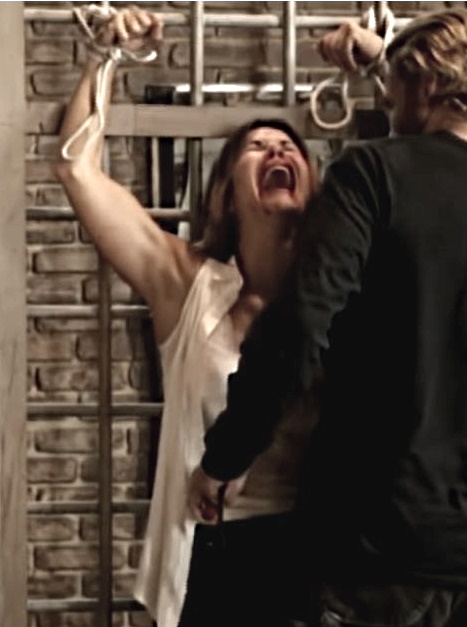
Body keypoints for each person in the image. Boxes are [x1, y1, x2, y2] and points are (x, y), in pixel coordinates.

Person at [191, 8, 467, 627]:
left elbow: (302, 323)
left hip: (372, 554)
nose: (387, 108)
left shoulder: (375, 174)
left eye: (391, 92)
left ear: (427, 82)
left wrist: (229, 454)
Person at [54, 7, 319, 627]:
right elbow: (77, 170)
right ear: (226, 194)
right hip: (210, 553)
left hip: (314, 556)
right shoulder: (189, 284)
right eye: (257, 147)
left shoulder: (339, 297)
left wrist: (378, 67)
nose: (278, 150)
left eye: (289, 146)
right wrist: (106, 56)